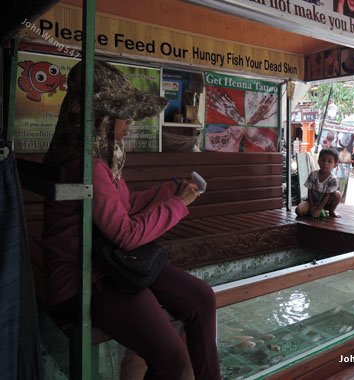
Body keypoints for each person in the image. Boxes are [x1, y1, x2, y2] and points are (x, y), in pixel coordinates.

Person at [42, 61, 221, 380]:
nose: (129, 124)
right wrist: (178, 205)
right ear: (101, 118)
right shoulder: (89, 166)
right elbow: (126, 233)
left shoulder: (96, 159)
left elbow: (120, 207)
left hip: (109, 263)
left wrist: (168, 192)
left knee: (201, 298)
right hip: (85, 280)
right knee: (171, 357)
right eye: (123, 115)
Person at [295, 148, 342, 218]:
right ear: (318, 161)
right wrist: (311, 207)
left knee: (337, 194)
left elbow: (327, 196)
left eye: (329, 161)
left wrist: (319, 209)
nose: (325, 163)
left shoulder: (333, 179)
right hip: (312, 201)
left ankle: (331, 212)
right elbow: (309, 192)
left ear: (335, 165)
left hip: (326, 203)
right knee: (299, 210)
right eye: (323, 160)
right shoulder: (313, 174)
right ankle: (312, 211)